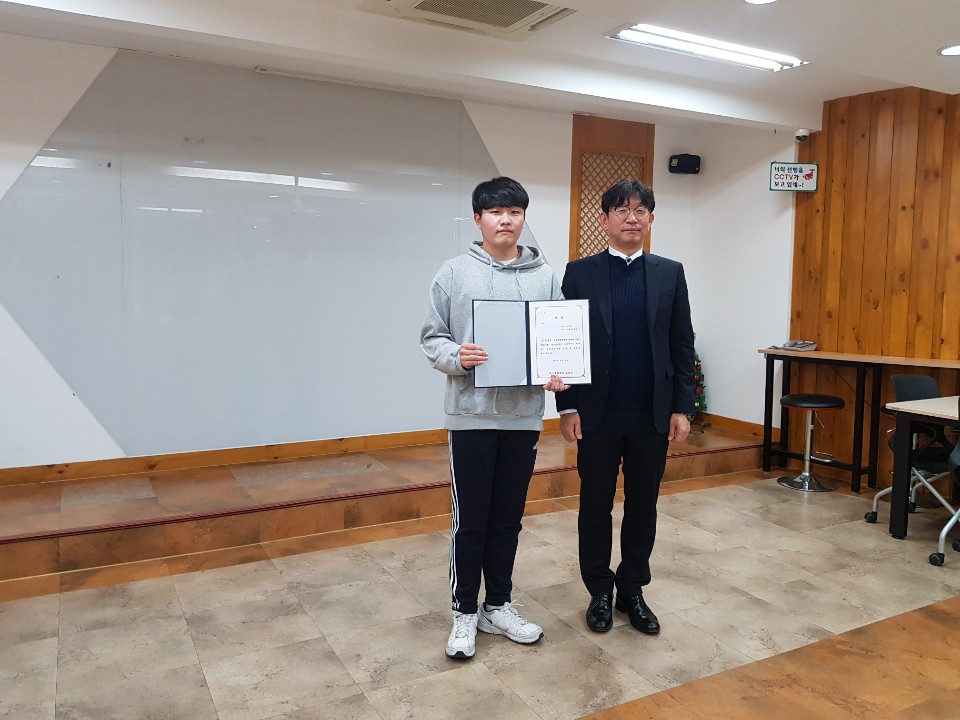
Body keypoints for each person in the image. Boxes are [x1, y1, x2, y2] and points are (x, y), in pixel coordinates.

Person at [420, 176, 568, 659]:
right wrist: (457, 357)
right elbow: (432, 337)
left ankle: (497, 606)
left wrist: (559, 372)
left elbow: (558, 338)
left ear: (523, 218)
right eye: (496, 212)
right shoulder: (454, 273)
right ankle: (464, 611)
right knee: (471, 521)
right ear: (478, 218)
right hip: (471, 415)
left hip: (523, 417)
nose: (506, 220)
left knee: (508, 519)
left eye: (515, 212)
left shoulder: (545, 277)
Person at [556, 179, 695, 635]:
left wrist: (683, 407)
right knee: (594, 505)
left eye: (640, 211)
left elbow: (681, 342)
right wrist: (567, 406)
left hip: (651, 414)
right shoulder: (580, 273)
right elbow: (565, 343)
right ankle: (598, 590)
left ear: (651, 219)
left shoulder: (669, 272)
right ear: (605, 220)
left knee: (643, 505)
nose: (631, 218)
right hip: (596, 413)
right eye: (622, 210)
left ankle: (632, 589)